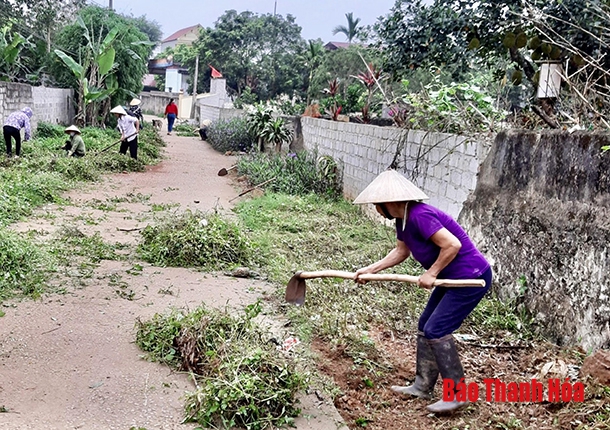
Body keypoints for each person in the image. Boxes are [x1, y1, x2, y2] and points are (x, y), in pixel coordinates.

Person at [352, 169, 492, 414]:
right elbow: (401, 252)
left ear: (389, 203)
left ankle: (457, 394)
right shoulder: (402, 220)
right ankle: (422, 385)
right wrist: (371, 269)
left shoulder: (420, 215)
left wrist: (432, 272)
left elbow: (452, 245)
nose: (376, 209)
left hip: (471, 277)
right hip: (450, 278)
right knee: (425, 323)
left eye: (377, 204)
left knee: (436, 329)